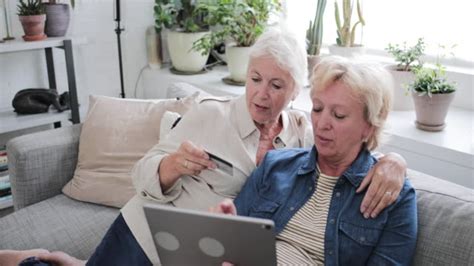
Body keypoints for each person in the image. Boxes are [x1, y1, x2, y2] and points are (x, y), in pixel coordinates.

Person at [5, 27, 407, 266]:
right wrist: (172, 166)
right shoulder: (211, 114)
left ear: (296, 91)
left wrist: (394, 160)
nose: (262, 95)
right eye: (254, 79)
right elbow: (141, 173)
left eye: (277, 85)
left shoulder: (302, 136)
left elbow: (355, 149)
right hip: (150, 229)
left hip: (200, 254)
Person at [213, 56, 418, 265]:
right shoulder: (274, 166)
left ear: (369, 127)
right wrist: (223, 230)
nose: (321, 124)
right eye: (317, 109)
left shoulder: (394, 198)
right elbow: (228, 244)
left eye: (338, 115)